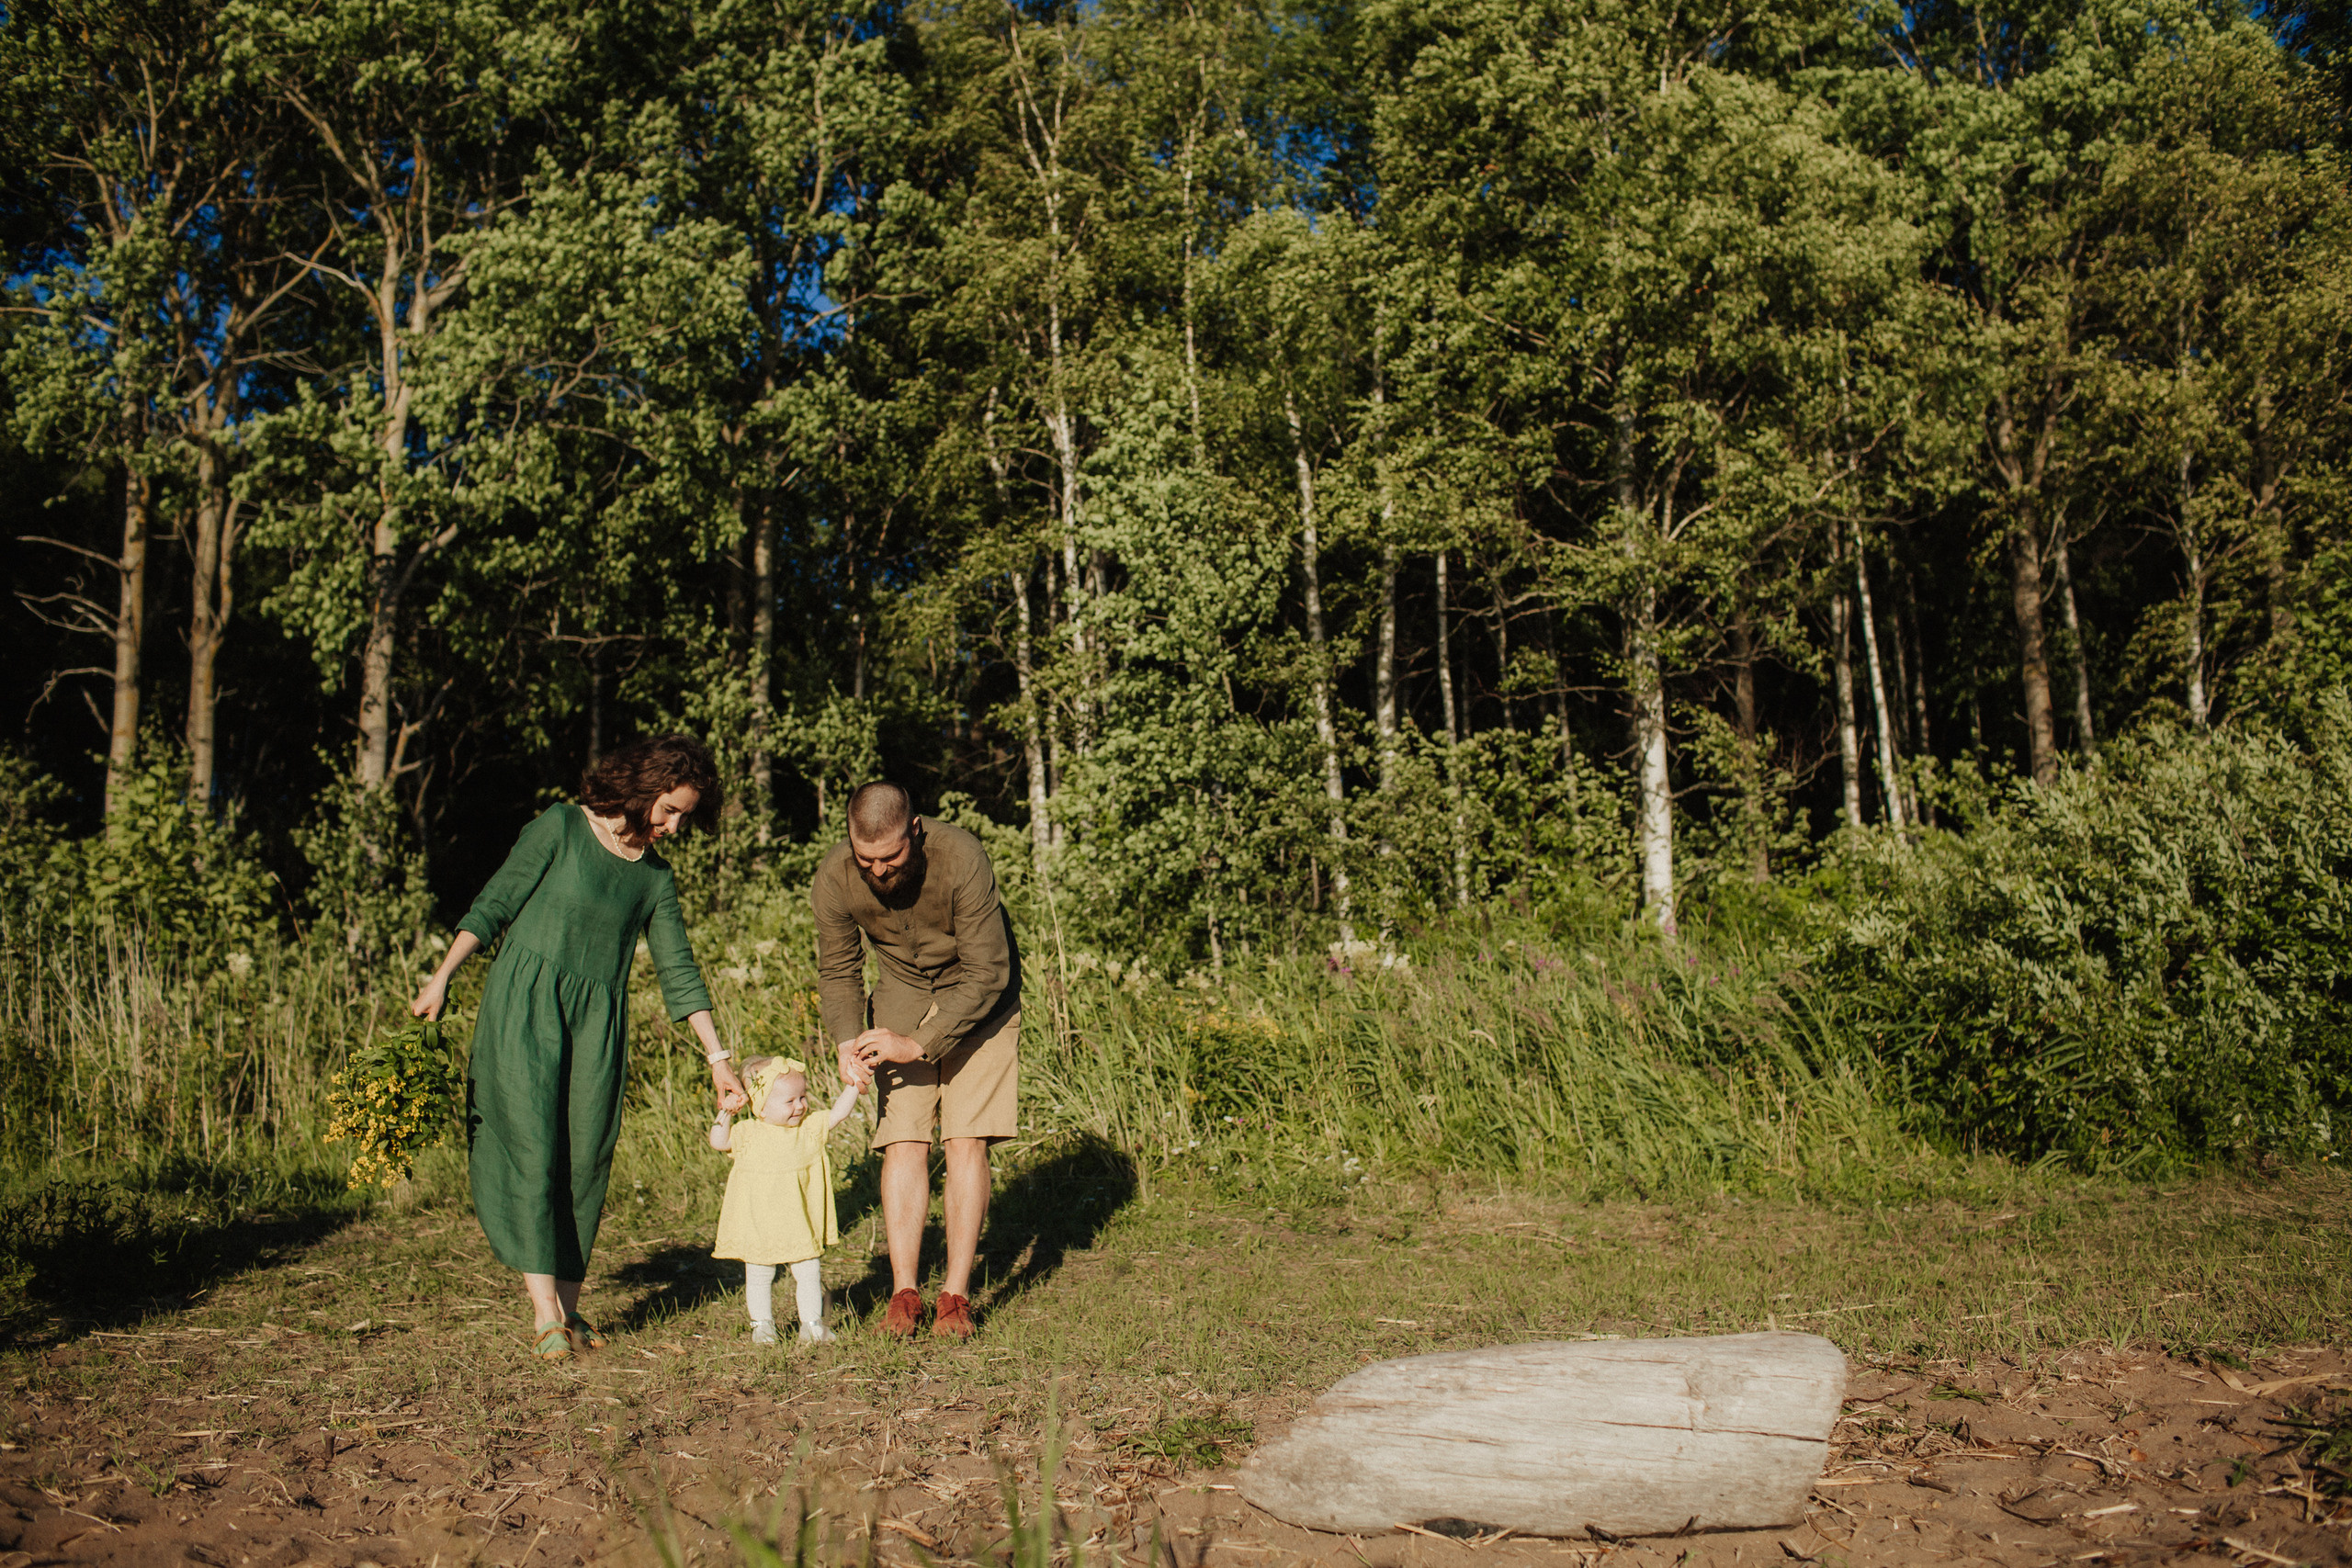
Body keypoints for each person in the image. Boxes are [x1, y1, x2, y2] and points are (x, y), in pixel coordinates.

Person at [411, 734, 748, 1361]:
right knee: (534, 1145)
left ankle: (567, 1304)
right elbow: (496, 901)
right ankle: (544, 1312)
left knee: (586, 1153)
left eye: (683, 816)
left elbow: (679, 970)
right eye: (668, 809)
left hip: (597, 1024)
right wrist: (443, 974)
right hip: (524, 1007)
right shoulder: (561, 827)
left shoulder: (653, 877)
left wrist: (718, 1059)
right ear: (644, 789)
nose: (673, 825)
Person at [816, 781, 1020, 1340]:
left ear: (915, 830)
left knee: (964, 1138)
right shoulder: (834, 878)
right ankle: (905, 1293)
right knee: (902, 1137)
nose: (878, 871)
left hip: (979, 1000)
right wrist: (845, 1039)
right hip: (902, 992)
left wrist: (920, 1044)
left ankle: (955, 1296)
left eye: (890, 858)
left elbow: (988, 970)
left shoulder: (962, 856)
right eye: (866, 860)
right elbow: (838, 971)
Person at [708, 1056, 863, 1344]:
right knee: (759, 1275)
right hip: (760, 1223)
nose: (800, 1106)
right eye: (789, 1101)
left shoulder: (808, 1129)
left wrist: (853, 1084)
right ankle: (762, 1325)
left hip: (799, 1221)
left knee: (808, 1272)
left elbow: (837, 1114)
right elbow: (718, 1141)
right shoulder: (749, 1133)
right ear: (761, 1107)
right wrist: (726, 1113)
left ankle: (812, 1324)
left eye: (802, 1097)